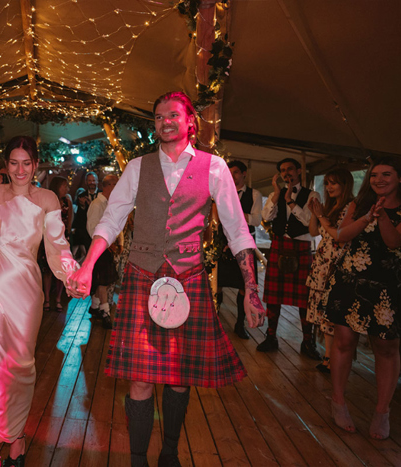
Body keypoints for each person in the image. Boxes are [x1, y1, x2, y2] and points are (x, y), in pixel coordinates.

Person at [68, 92, 265, 467]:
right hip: (142, 275)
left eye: (172, 115)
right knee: (140, 379)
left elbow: (237, 230)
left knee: (179, 377)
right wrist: (88, 265)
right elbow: (111, 220)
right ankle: (139, 458)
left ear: (191, 121)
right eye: (158, 117)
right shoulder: (138, 167)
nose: (165, 122)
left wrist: (251, 290)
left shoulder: (214, 167)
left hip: (187, 278)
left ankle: (170, 451)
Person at [0, 136, 80, 467]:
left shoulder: (49, 199)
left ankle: (17, 435)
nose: (20, 169)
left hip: (27, 293)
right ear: (6, 165)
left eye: (26, 163)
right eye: (13, 163)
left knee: (21, 368)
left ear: (36, 164)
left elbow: (57, 247)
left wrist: (72, 277)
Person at [325, 157, 400, 440]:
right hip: (350, 279)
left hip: (387, 285)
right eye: (374, 175)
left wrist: (382, 217)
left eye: (387, 174)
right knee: (344, 342)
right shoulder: (359, 204)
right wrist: (368, 216)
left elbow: (393, 242)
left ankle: (382, 412)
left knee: (386, 348)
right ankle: (338, 401)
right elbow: (342, 236)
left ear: (399, 178)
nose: (379, 179)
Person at [259, 157, 322, 359]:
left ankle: (307, 342)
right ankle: (271, 337)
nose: (287, 173)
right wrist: (277, 195)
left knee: (305, 299)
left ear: (299, 171)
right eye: (283, 170)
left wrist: (291, 202)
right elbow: (267, 217)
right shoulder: (274, 195)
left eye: (290, 169)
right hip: (279, 246)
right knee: (273, 297)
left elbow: (308, 221)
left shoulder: (312, 195)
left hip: (301, 247)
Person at [305, 168, 355, 373]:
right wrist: (314, 214)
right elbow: (314, 231)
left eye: (334, 183)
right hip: (322, 262)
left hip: (336, 263)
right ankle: (328, 357)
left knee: (332, 313)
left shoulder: (351, 206)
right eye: (327, 183)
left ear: (345, 184)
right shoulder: (331, 206)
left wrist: (321, 215)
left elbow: (339, 235)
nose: (329, 187)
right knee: (322, 314)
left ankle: (335, 359)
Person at [216, 160, 263, 339]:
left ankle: (240, 324)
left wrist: (234, 211)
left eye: (236, 172)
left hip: (244, 244)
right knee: (217, 283)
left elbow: (257, 220)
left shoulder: (254, 194)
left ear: (244, 174)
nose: (232, 176)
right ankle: (216, 320)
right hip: (221, 242)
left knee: (244, 286)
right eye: (229, 172)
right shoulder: (220, 192)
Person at [86, 174, 120, 329]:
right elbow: (91, 228)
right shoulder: (97, 204)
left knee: (102, 280)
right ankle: (104, 311)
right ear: (109, 186)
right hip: (99, 248)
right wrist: (104, 243)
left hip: (105, 247)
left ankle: (95, 306)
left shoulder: (107, 203)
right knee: (103, 282)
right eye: (116, 185)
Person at [41, 176, 73, 313]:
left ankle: (58, 299)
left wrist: (67, 235)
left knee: (61, 268)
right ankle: (47, 298)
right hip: (48, 237)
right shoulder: (48, 200)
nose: (66, 188)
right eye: (64, 186)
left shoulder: (67, 201)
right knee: (47, 270)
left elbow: (70, 218)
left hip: (62, 237)